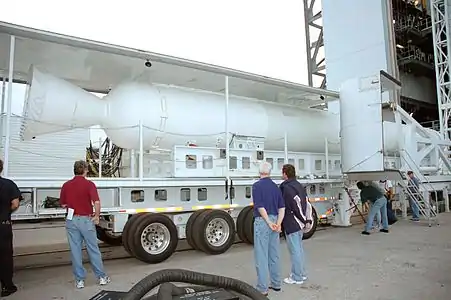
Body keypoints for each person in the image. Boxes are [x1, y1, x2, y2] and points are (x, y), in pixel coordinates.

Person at [60, 160, 110, 289]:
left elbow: (63, 204)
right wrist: (97, 216)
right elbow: (97, 202)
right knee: (93, 249)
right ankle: (101, 277)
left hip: (71, 220)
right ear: (85, 170)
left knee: (75, 250)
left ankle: (79, 280)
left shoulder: (66, 185)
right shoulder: (89, 184)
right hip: (86, 220)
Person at [252, 161, 285, 296]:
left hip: (262, 222)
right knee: (274, 254)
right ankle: (276, 284)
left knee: (261, 255)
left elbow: (260, 206)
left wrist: (268, 222)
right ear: (270, 172)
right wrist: (278, 223)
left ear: (259, 172)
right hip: (275, 220)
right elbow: (282, 207)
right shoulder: (275, 187)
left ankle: (262, 288)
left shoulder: (256, 186)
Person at [279, 164, 310, 285]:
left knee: (294, 250)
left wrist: (302, 219)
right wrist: (306, 219)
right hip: (299, 223)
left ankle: (296, 277)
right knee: (299, 249)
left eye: (282, 173)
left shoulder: (286, 188)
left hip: (292, 222)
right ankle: (301, 273)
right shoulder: (299, 185)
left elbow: (293, 205)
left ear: (285, 173)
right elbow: (306, 203)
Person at [0, 159, 20, 297]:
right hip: (3, 224)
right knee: (5, 256)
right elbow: (15, 203)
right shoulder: (8, 184)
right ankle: (7, 286)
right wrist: (6, 213)